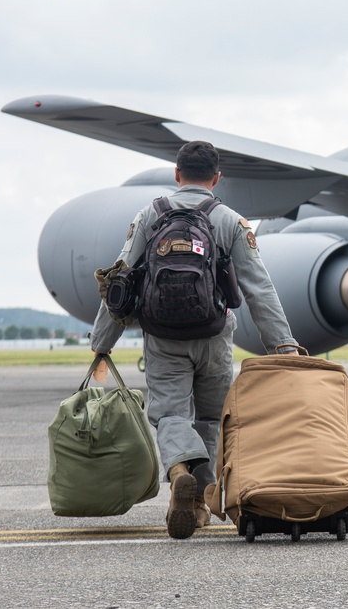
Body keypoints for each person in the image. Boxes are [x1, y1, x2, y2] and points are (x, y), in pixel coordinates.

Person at [90, 140, 298, 540]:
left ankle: (181, 474)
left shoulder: (150, 215)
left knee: (169, 415)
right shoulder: (230, 220)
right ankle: (201, 502)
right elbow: (260, 288)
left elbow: (120, 280)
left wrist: (102, 342)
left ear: (176, 174)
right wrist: (283, 345)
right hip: (215, 335)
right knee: (210, 417)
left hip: (163, 336)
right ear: (216, 178)